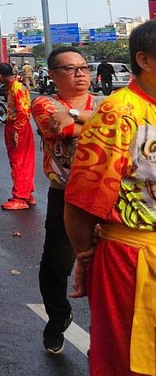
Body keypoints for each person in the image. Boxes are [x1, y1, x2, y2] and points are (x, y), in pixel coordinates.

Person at [65, 21, 156, 376]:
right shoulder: (119, 113)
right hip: (131, 262)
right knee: (125, 360)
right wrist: (84, 256)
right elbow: (82, 200)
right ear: (144, 60)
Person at [30, 47, 96, 355]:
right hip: (66, 195)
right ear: (54, 75)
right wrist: (95, 122)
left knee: (108, 265)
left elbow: (129, 125)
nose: (81, 73)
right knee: (56, 265)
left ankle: (108, 332)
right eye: (71, 69)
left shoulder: (107, 103)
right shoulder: (45, 103)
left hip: (109, 196)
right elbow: (59, 128)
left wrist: (74, 114)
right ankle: (58, 317)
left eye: (84, 67)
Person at [0, 62, 36, 210]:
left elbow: (23, 111)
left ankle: (20, 197)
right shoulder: (17, 86)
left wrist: (16, 130)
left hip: (18, 125)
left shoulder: (16, 88)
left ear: (0, 75)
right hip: (18, 125)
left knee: (18, 161)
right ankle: (27, 193)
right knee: (24, 160)